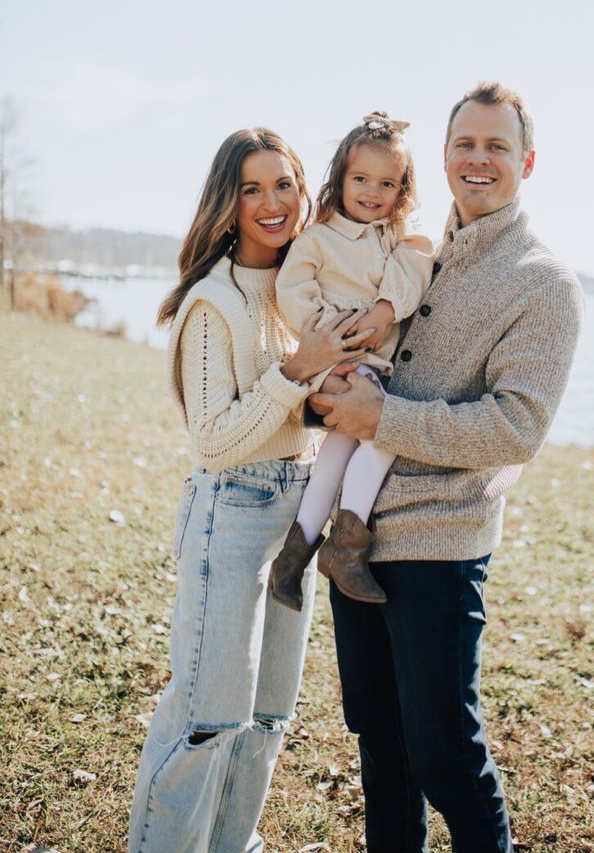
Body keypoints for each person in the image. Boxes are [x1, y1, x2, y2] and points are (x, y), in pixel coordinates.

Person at [310, 83, 585, 853]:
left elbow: (517, 427)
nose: (477, 158)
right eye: (464, 143)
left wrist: (383, 419)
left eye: (496, 145)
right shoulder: (414, 257)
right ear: (443, 156)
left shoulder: (544, 283)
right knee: (380, 748)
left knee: (446, 756)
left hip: (440, 545)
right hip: (353, 542)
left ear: (526, 162)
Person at [127, 128, 374, 853]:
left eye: (285, 184)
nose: (272, 203)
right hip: (229, 513)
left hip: (296, 511)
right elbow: (213, 440)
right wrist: (298, 372)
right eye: (252, 188)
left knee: (266, 720)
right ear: (228, 205)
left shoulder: (306, 292)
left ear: (308, 192)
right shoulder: (215, 302)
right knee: (207, 719)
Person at [270, 113, 433, 610]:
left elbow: (416, 267)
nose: (371, 191)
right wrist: (331, 334)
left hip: (368, 368)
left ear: (402, 189)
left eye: (387, 183)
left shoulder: (397, 238)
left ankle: (293, 557)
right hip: (335, 361)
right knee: (384, 438)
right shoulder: (317, 239)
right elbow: (291, 292)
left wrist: (384, 310)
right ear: (340, 178)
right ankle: (346, 549)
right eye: (360, 179)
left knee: (334, 459)